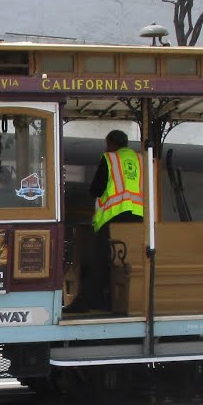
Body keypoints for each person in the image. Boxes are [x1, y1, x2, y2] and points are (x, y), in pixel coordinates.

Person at [69, 129, 143, 314]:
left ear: (110, 144)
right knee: (126, 261)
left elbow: (96, 189)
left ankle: (91, 301)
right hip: (138, 219)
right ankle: (119, 300)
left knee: (100, 260)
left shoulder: (110, 159)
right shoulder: (141, 160)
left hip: (114, 217)